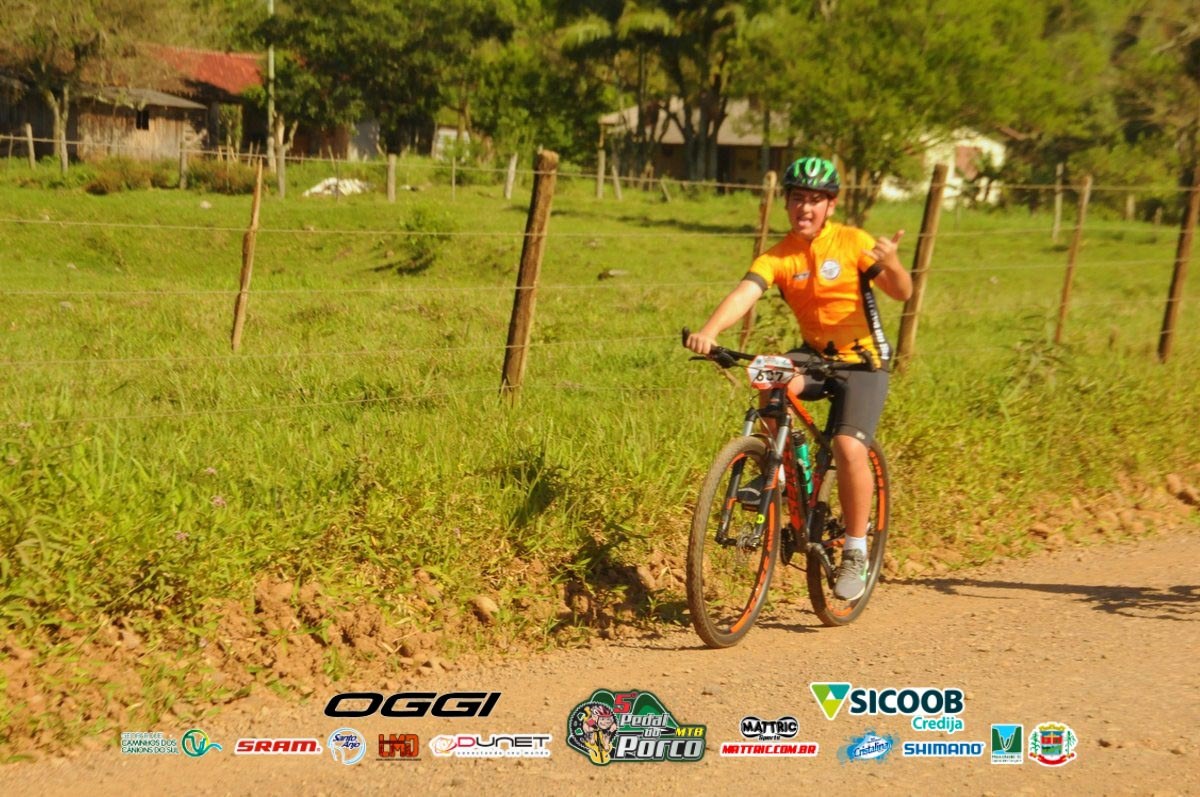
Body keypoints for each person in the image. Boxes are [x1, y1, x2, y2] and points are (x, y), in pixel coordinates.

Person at [684, 156, 912, 601]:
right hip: (815, 356)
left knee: (848, 446)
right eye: (798, 199)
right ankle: (780, 471)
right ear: (786, 203)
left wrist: (894, 263)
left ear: (831, 205)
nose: (805, 208)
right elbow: (745, 293)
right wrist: (710, 332)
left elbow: (901, 292)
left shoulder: (853, 242)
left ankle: (855, 550)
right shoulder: (779, 256)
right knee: (768, 374)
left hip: (863, 363)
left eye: (815, 200)